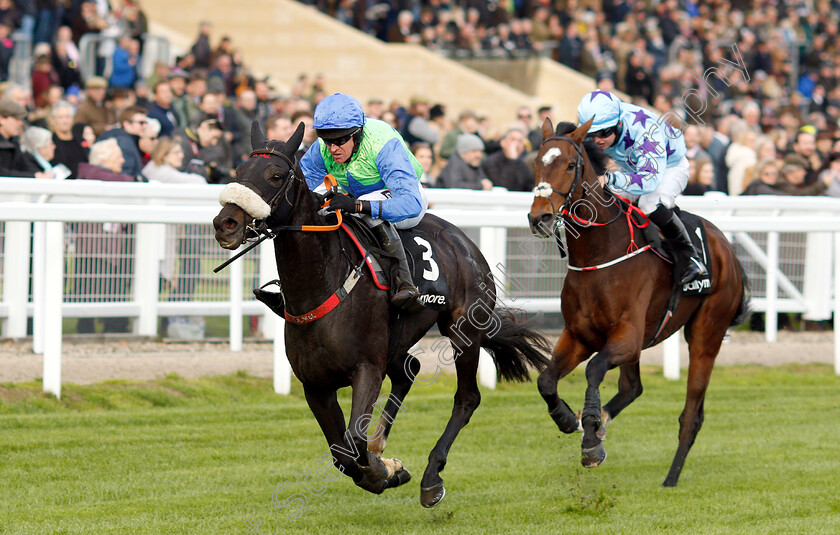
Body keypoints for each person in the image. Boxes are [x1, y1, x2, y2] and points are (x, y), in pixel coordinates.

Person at [297, 92, 426, 311]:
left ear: (357, 134)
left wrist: (358, 205)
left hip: (404, 196)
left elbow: (410, 203)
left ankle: (405, 284)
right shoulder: (323, 148)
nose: (333, 148)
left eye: (340, 140)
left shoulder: (382, 143)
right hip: (360, 198)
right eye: (327, 140)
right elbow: (301, 185)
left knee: (363, 207)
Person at [576, 89, 707, 285]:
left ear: (619, 124)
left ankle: (691, 257)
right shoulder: (604, 125)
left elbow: (649, 181)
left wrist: (611, 179)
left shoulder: (645, 131)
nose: (596, 140)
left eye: (603, 133)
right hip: (633, 165)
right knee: (605, 197)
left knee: (649, 202)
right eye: (590, 134)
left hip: (668, 168)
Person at [0, 99, 48, 178]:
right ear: (2, 119)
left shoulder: (14, 142)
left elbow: (25, 164)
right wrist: (33, 176)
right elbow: (2, 172)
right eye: (16, 119)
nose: (21, 123)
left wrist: (40, 172)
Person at [96, 105, 148, 178]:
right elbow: (125, 174)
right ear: (127, 124)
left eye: (146, 123)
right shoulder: (124, 142)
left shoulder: (122, 138)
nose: (145, 126)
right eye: (141, 123)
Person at [480, 127, 534, 191]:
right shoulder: (491, 162)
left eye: (520, 141)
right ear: (503, 143)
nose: (516, 144)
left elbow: (530, 186)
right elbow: (503, 186)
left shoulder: (521, 164)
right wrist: (512, 160)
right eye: (513, 140)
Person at [49, 100, 88, 178]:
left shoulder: (81, 141)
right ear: (53, 120)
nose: (65, 121)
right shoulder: (50, 142)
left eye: (67, 117)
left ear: (72, 119)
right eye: (61, 117)